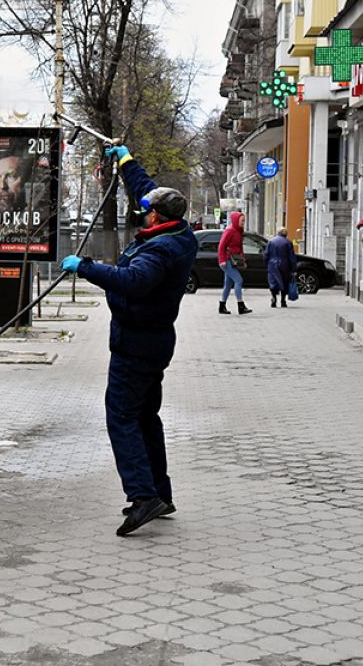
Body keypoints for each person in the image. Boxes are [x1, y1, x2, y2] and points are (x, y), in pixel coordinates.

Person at [60, 145, 198, 536]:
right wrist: (126, 162)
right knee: (144, 416)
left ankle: (143, 497)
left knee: (121, 415)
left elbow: (133, 283)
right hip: (152, 342)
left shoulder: (161, 249)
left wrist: (85, 267)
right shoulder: (177, 231)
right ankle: (160, 492)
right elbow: (147, 188)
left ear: (157, 215)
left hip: (137, 344)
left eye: (147, 208)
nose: (143, 210)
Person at [217, 211, 252, 315]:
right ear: (236, 220)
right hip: (227, 260)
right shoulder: (229, 230)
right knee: (239, 280)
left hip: (234, 260)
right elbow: (221, 246)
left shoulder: (239, 231)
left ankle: (222, 306)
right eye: (242, 221)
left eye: (244, 221)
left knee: (228, 284)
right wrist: (222, 260)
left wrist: (243, 260)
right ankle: (241, 305)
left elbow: (239, 247)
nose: (243, 223)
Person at [266, 227, 298, 308]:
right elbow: (291, 256)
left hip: (272, 264)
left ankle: (274, 298)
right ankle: (283, 301)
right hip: (284, 264)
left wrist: (266, 263)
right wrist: (293, 267)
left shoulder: (271, 241)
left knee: (273, 282)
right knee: (284, 282)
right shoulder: (288, 242)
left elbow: (266, 254)